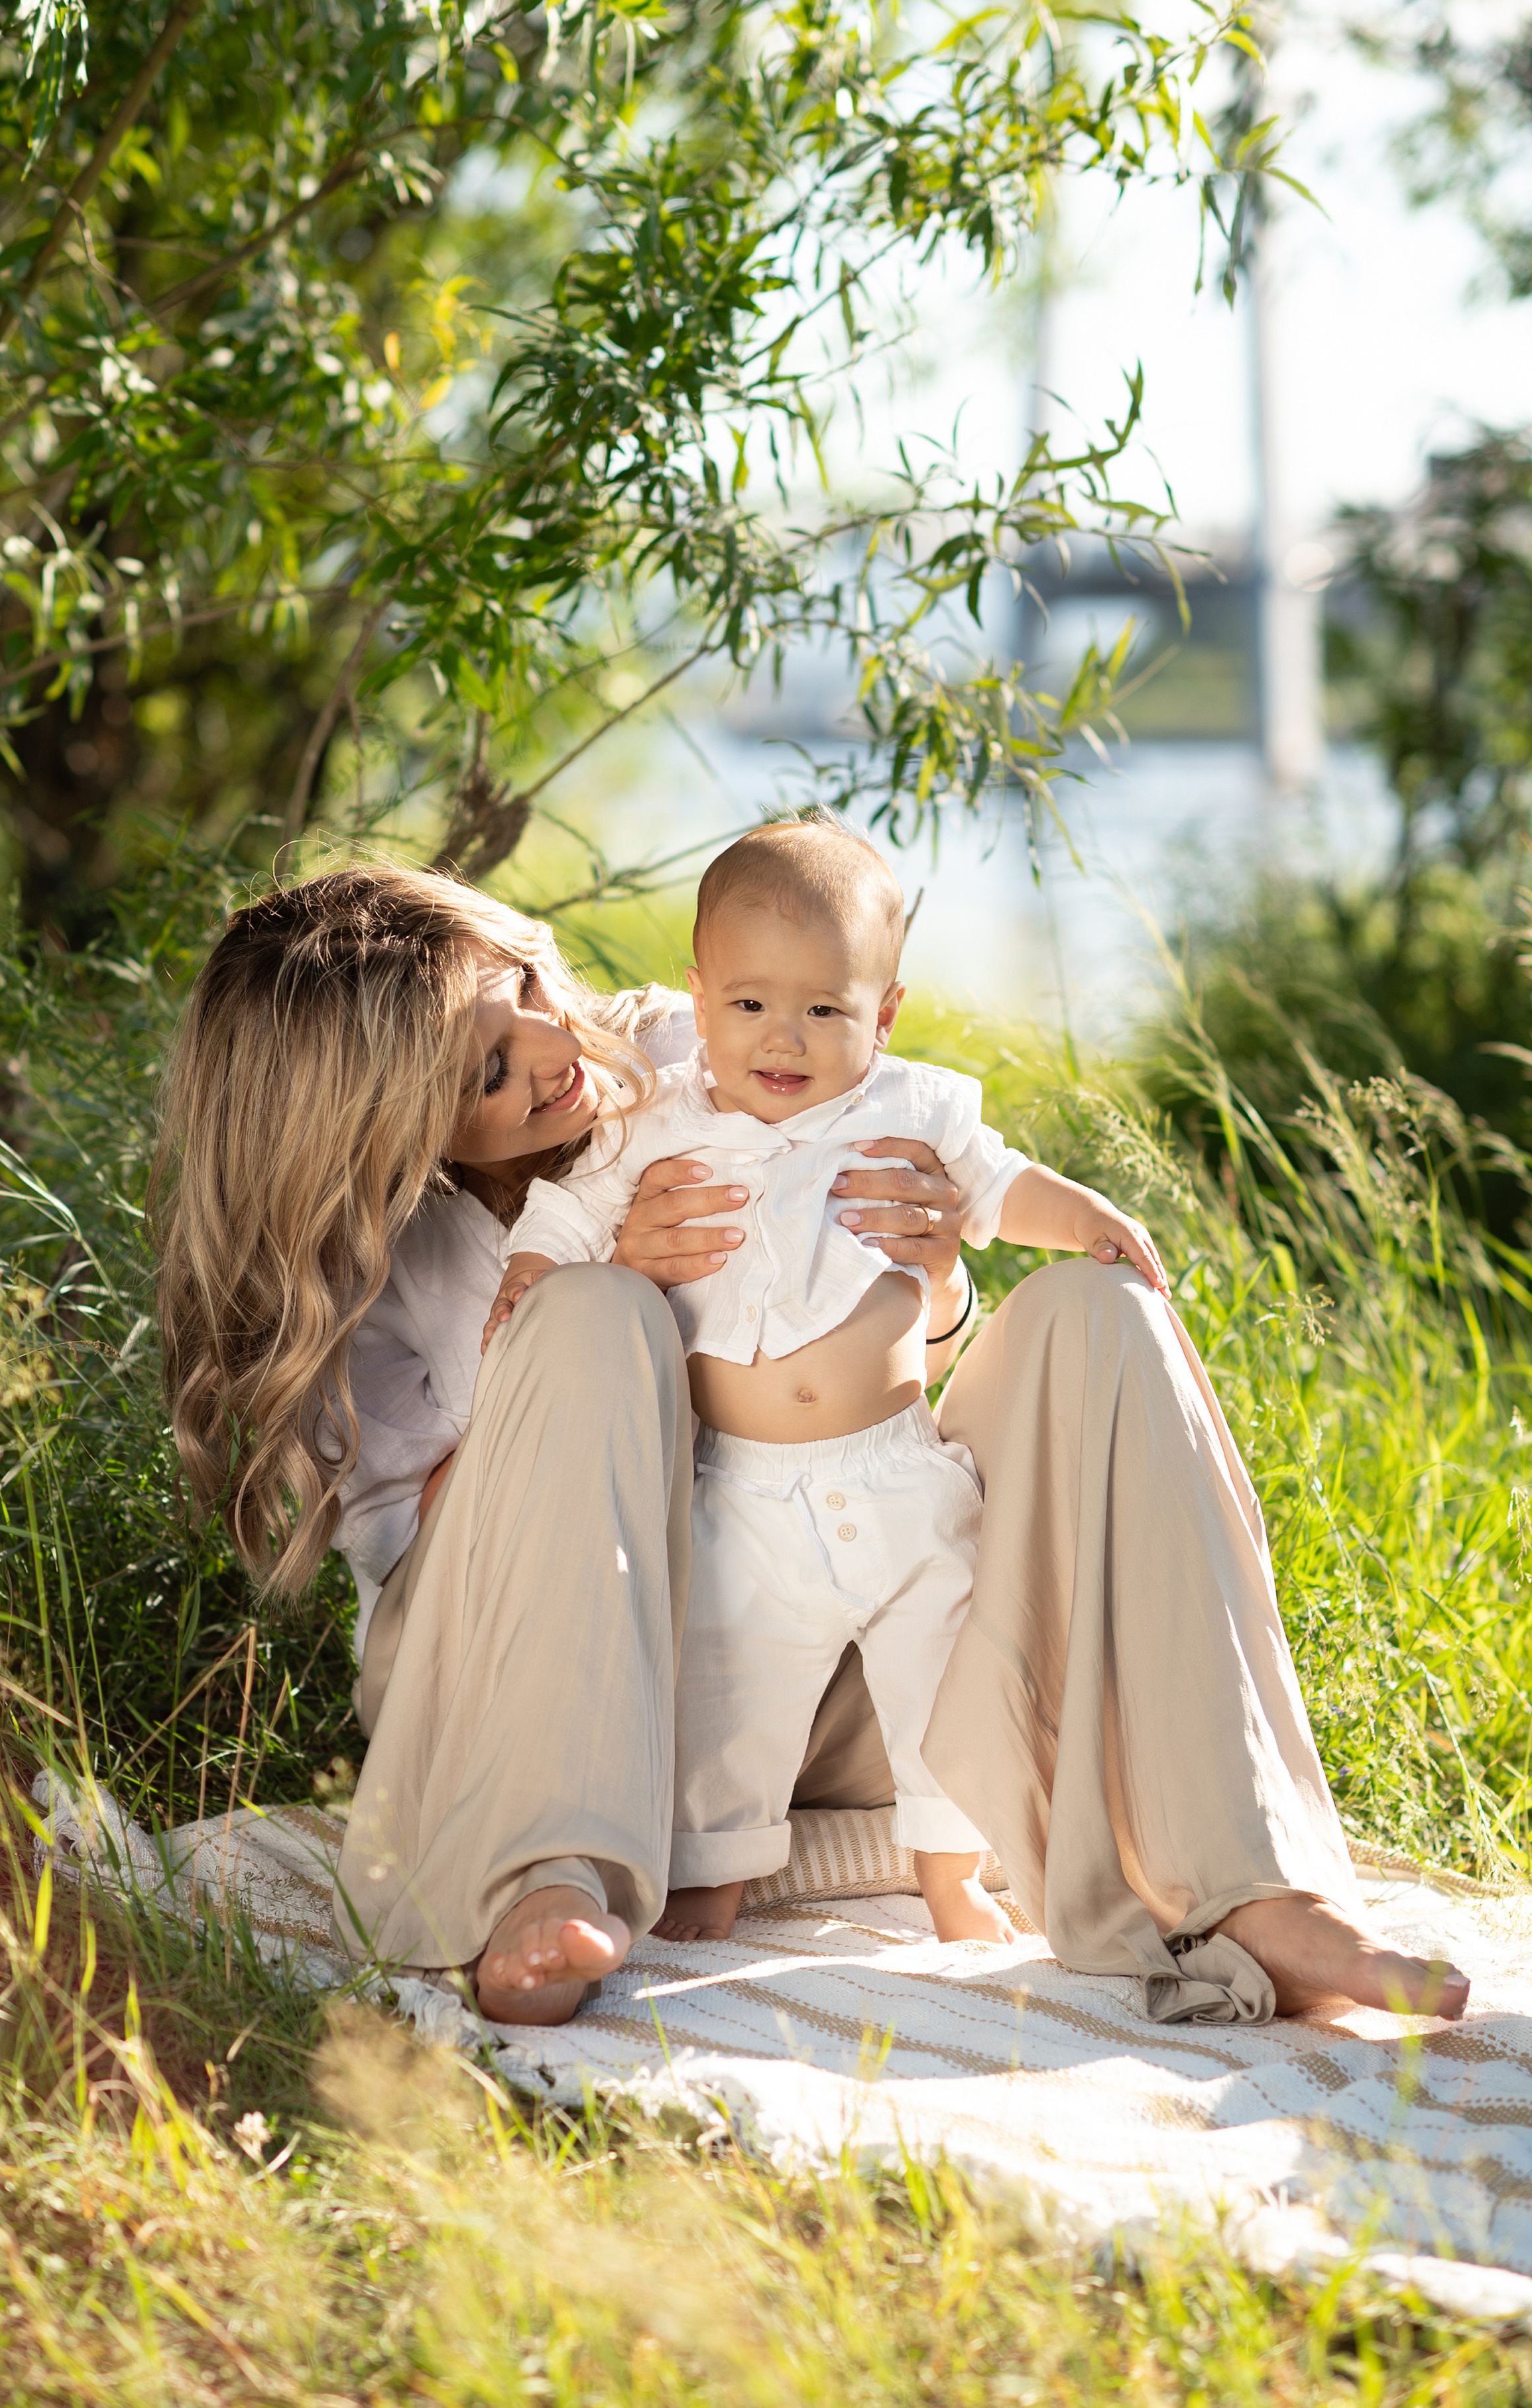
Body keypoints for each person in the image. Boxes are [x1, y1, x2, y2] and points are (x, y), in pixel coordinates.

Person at [150, 856, 1470, 2031]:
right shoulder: (386, 1268)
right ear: (382, 1133)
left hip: (825, 1619)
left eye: (531, 991)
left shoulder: (706, 1045)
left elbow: (880, 1375)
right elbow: (451, 1551)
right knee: (595, 1314)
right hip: (553, 1693)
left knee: (1091, 1310)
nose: (554, 1051)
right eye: (487, 1071)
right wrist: (602, 1282)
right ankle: (546, 1873)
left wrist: (938, 1272)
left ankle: (1242, 1882)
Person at [486, 820, 1177, 1953]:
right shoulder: (653, 1120)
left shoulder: (914, 1109)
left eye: (825, 1009)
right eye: (752, 1004)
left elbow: (1001, 1188)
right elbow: (566, 1215)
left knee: (943, 1671)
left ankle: (951, 1872)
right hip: (740, 1489)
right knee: (728, 1687)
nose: (785, 1038)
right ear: (700, 999)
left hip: (900, 1472)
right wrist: (528, 1275)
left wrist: (1087, 1219)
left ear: (884, 1015)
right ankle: (711, 1876)